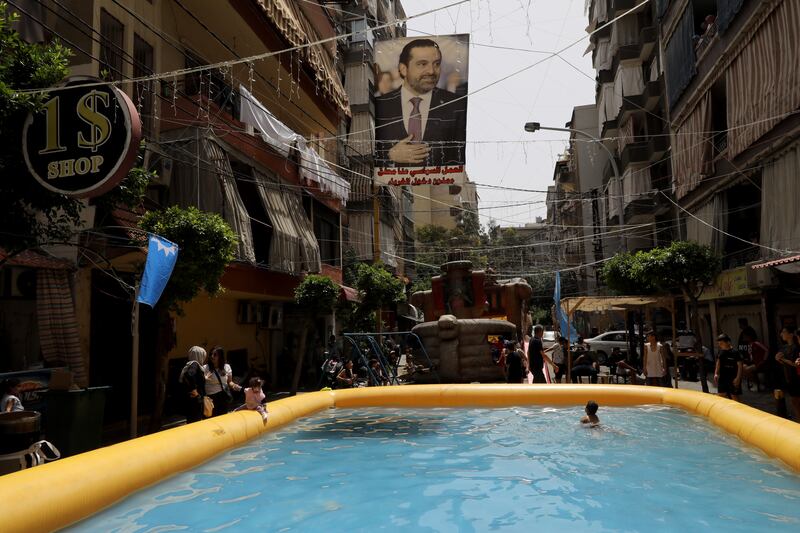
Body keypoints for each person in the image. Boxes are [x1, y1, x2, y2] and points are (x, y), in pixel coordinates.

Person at [375, 38, 467, 167]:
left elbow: (458, 157)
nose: (431, 71)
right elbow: (367, 150)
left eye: (436, 64)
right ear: (403, 69)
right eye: (422, 64)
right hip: (393, 184)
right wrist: (390, 155)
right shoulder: (380, 105)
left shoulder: (456, 106)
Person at [204, 346, 241, 417]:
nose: (212, 356)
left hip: (223, 396)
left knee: (222, 417)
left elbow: (229, 382)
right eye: (211, 354)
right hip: (210, 398)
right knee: (211, 419)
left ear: (220, 357)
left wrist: (234, 386)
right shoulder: (205, 368)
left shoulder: (226, 367)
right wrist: (204, 378)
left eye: (215, 355)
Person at [775, 326, 800, 417]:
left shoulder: (797, 347)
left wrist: (783, 359)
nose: (781, 334)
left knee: (796, 401)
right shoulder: (784, 347)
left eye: (784, 332)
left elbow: (795, 364)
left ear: (791, 334)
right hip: (789, 378)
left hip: (797, 377)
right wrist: (778, 359)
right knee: (794, 402)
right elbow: (783, 361)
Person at [179, 346, 207, 423]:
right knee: (195, 421)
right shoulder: (194, 364)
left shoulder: (191, 364)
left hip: (193, 401)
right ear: (199, 355)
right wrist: (195, 391)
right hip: (195, 402)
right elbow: (189, 375)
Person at [714, 334, 744, 402]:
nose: (720, 345)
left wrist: (738, 378)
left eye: (721, 343)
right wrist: (716, 373)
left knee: (734, 396)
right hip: (722, 377)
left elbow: (740, 366)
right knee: (721, 395)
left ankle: (739, 410)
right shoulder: (720, 352)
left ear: (728, 342)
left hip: (733, 377)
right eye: (719, 344)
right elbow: (718, 363)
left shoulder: (735, 353)